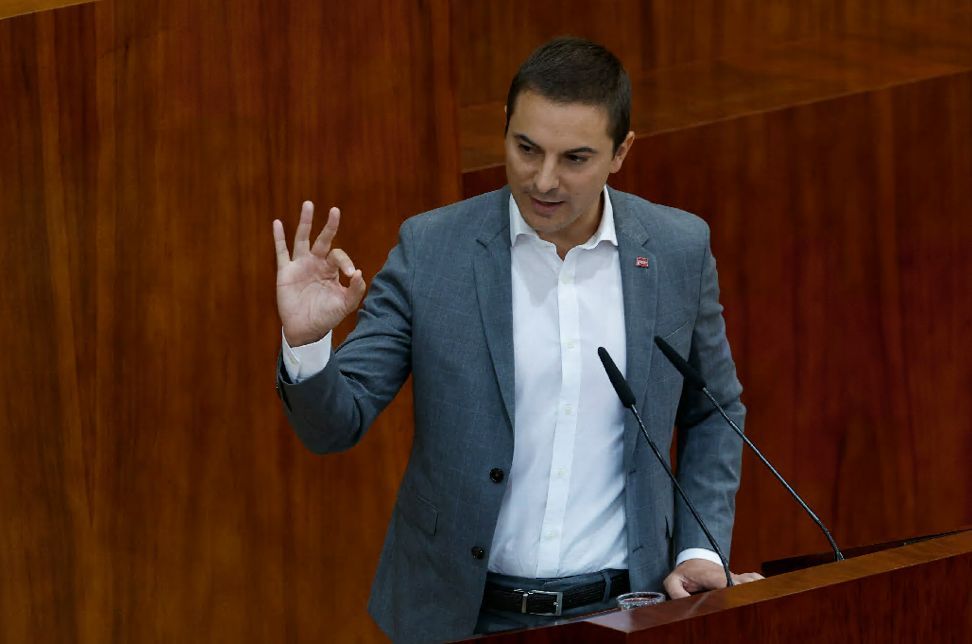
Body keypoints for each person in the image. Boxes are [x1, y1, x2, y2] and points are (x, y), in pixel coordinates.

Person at [272, 37, 761, 642]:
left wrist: (701, 551)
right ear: (504, 127)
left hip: (626, 611)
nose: (543, 180)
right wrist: (308, 343)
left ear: (621, 152)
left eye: (575, 158)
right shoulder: (434, 250)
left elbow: (715, 411)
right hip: (460, 615)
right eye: (526, 148)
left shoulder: (676, 250)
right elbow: (333, 426)